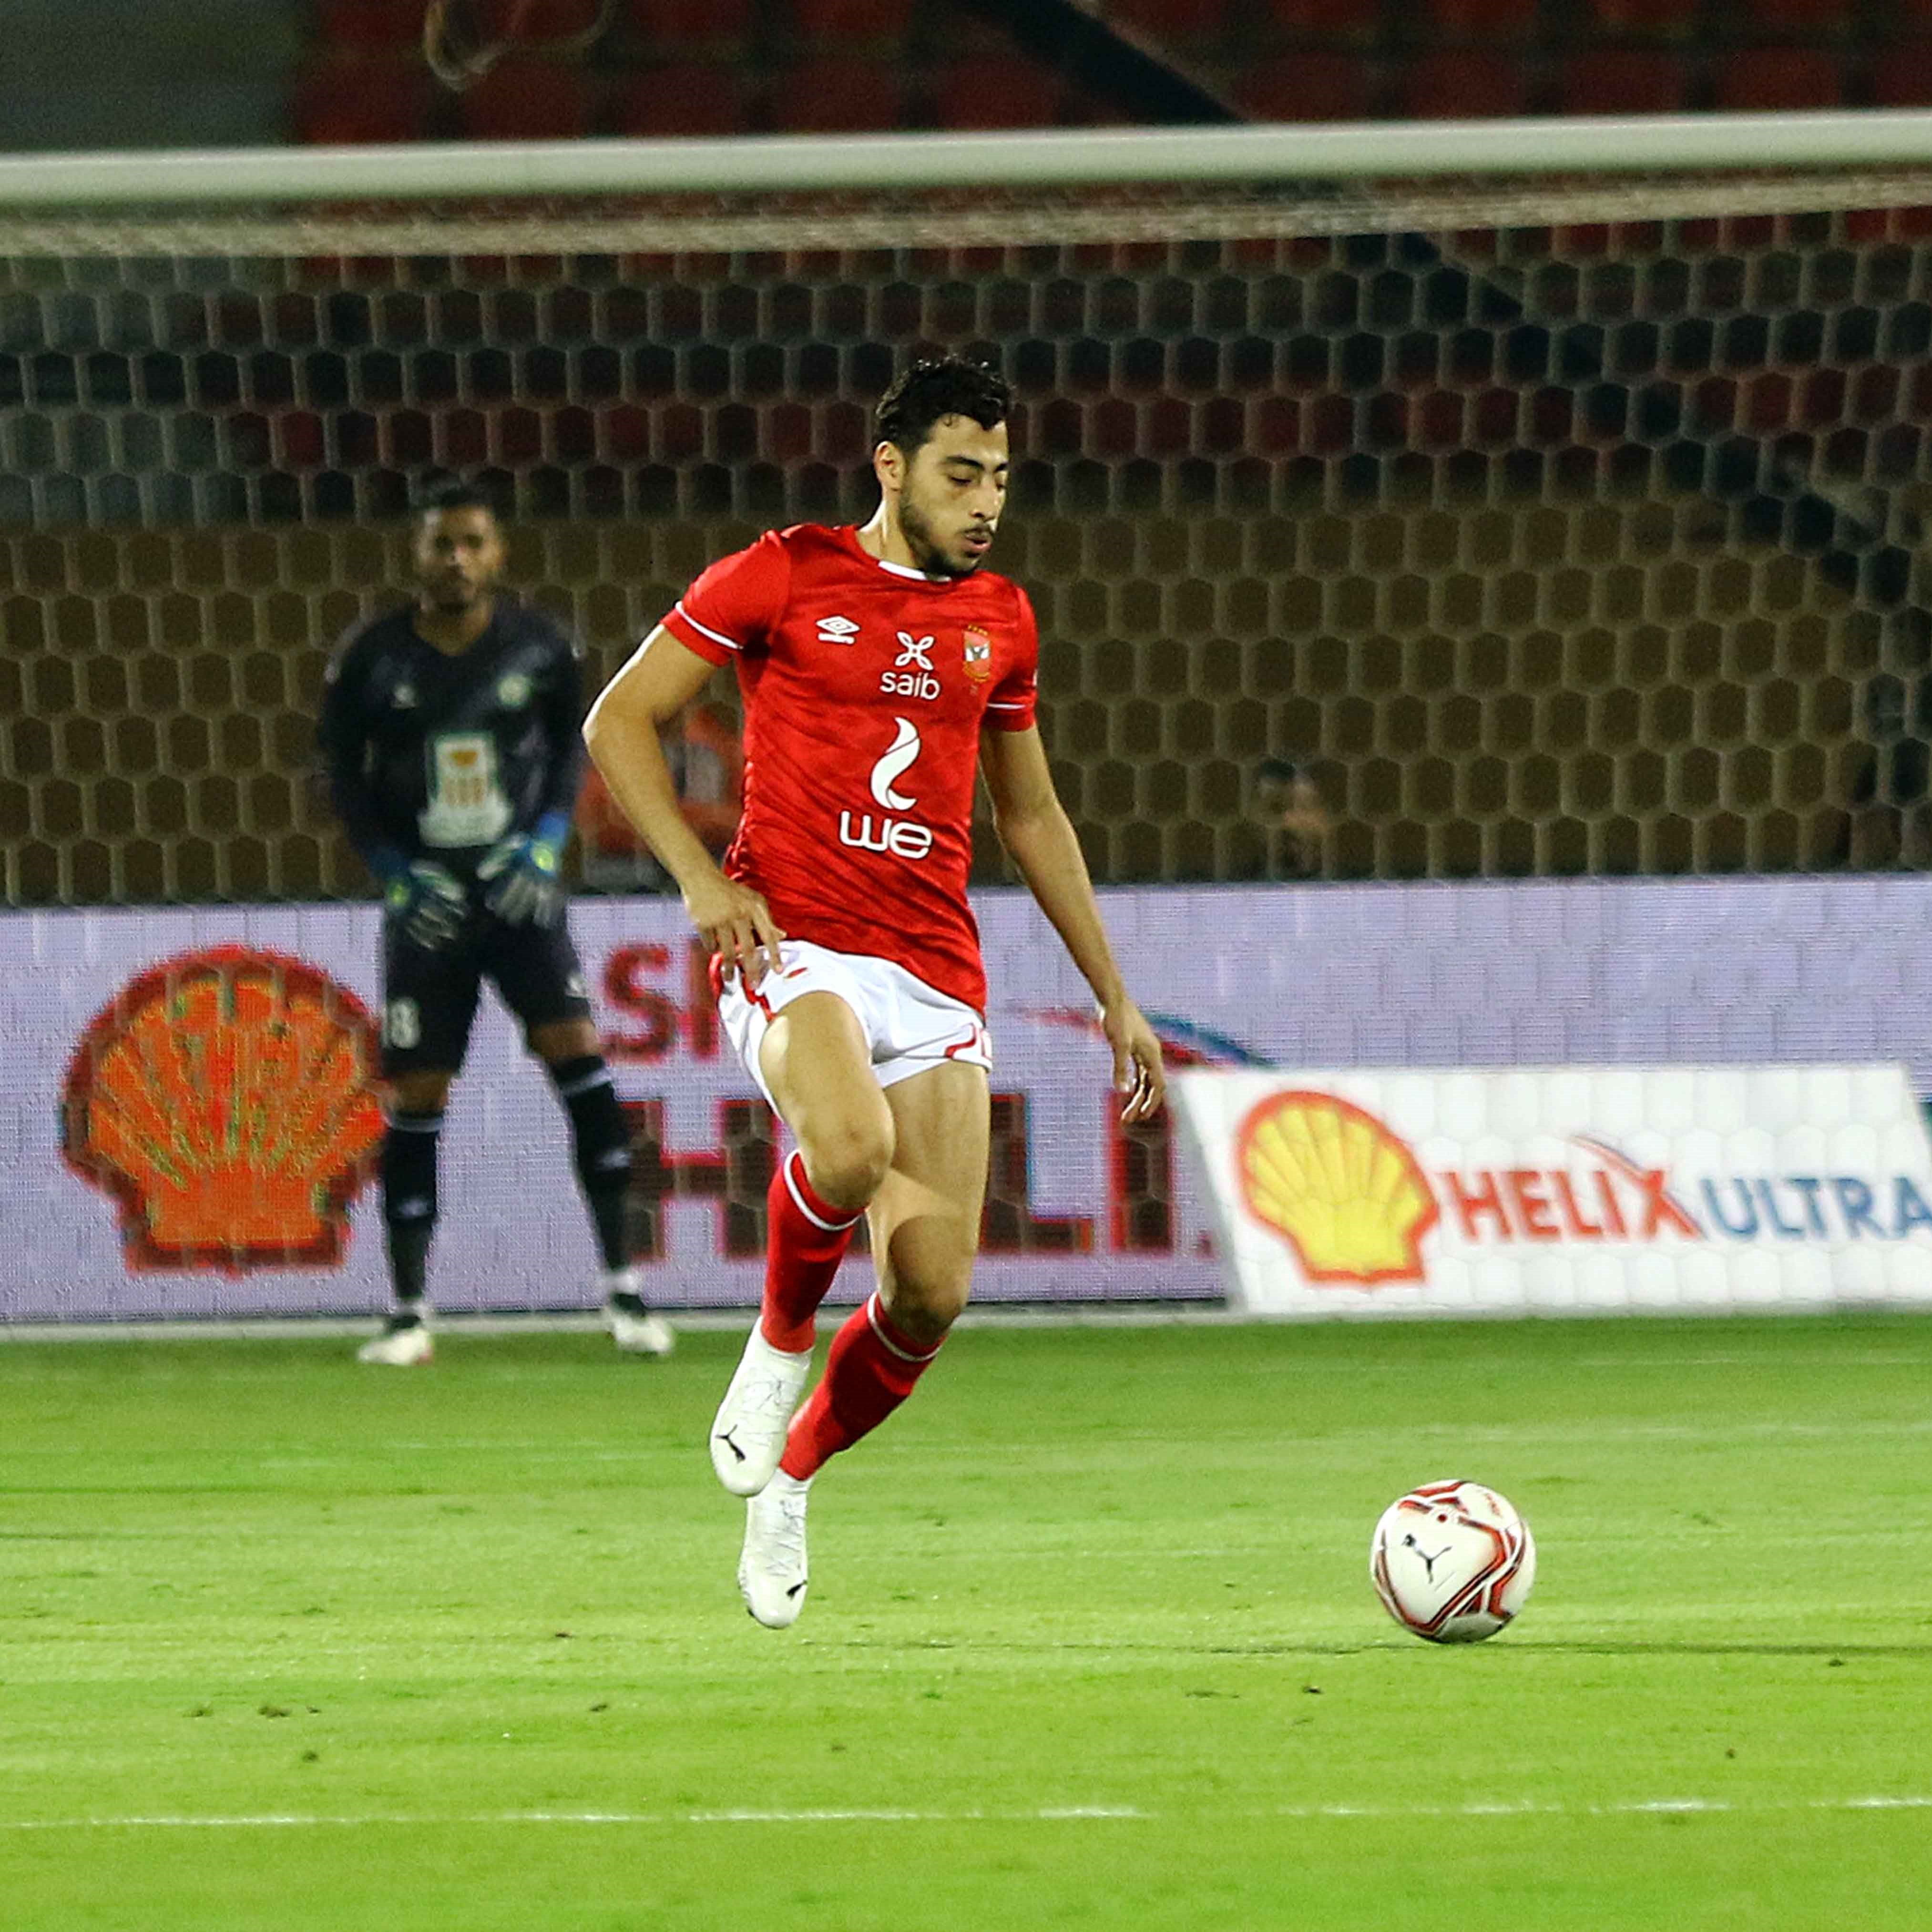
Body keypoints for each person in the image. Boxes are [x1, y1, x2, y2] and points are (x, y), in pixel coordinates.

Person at [583, 356, 1166, 1628]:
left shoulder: (1000, 620)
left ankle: (790, 1480)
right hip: (792, 941)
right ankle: (775, 1346)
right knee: (845, 1149)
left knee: (929, 1290)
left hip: (932, 965)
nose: (985, 502)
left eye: (1000, 478)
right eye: (961, 474)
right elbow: (617, 720)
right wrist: (699, 881)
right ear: (890, 467)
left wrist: (1113, 993)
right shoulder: (782, 574)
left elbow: (1029, 813)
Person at [318, 478, 674, 1365]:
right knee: (416, 1096)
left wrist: (547, 843)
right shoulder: (373, 657)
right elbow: (342, 775)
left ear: (498, 552)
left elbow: (570, 753)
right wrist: (394, 873)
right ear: (417, 553)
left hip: (518, 897)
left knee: (581, 1060)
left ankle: (625, 1292)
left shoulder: (540, 647)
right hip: (430, 905)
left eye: (472, 542)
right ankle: (408, 1313)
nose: (457, 559)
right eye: (441, 543)